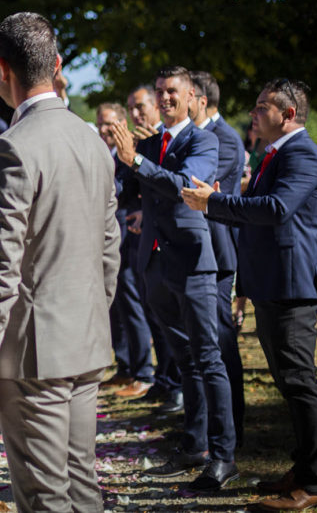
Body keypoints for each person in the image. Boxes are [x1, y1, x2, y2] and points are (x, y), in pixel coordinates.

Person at [0, 11, 118, 512]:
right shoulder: (94, 140)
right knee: (82, 484)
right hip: (86, 338)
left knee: (44, 494)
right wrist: (92, 314)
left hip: (33, 352)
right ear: (58, 64)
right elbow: (109, 247)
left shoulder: (11, 148)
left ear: (1, 69)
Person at [183, 79, 317, 511]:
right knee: (289, 382)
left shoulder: (302, 153)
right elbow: (258, 219)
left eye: (262, 106)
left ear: (288, 114)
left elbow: (275, 210)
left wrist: (214, 203)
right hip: (272, 283)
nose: (253, 114)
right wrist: (219, 205)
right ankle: (304, 468)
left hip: (292, 285)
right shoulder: (275, 153)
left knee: (300, 382)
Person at [111, 66, 237, 491]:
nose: (165, 98)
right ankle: (193, 445)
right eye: (160, 91)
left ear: (191, 97)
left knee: (208, 358)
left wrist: (136, 159)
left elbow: (185, 185)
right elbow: (125, 189)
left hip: (192, 262)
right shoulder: (148, 144)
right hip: (153, 263)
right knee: (184, 359)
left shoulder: (203, 140)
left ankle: (223, 456)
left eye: (172, 92)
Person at [191, 70, 247, 447]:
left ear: (201, 99)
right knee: (201, 342)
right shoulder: (195, 137)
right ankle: (206, 426)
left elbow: (199, 187)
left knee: (221, 341)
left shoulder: (224, 138)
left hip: (217, 249)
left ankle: (232, 428)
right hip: (195, 250)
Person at [125, 84, 179, 404]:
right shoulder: (142, 143)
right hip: (144, 241)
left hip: (170, 243)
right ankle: (164, 378)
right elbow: (130, 188)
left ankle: (174, 382)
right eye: (131, 108)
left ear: (156, 107)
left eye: (140, 106)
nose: (135, 114)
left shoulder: (169, 140)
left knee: (170, 320)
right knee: (154, 315)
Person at [95, 103, 154, 400]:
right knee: (115, 307)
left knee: (132, 306)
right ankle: (126, 366)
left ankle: (144, 373)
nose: (104, 129)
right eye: (100, 123)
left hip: (130, 236)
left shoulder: (131, 152)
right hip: (107, 241)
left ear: (122, 123)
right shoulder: (102, 152)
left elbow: (138, 188)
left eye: (109, 123)